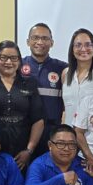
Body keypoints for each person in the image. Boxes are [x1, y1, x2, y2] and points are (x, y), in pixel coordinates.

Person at [0, 40, 45, 170]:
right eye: (3, 57)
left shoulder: (29, 83)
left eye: (13, 58)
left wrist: (29, 150)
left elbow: (38, 120)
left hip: (22, 149)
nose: (9, 62)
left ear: (19, 60)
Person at [23, 23, 69, 155]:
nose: (40, 42)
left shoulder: (63, 69)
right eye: (35, 38)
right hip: (24, 131)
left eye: (45, 38)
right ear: (28, 41)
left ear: (52, 43)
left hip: (52, 132)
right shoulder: (18, 65)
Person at [61, 28, 93, 127]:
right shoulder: (66, 73)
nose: (83, 49)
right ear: (72, 49)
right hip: (69, 132)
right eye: (78, 45)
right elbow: (65, 109)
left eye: (88, 45)